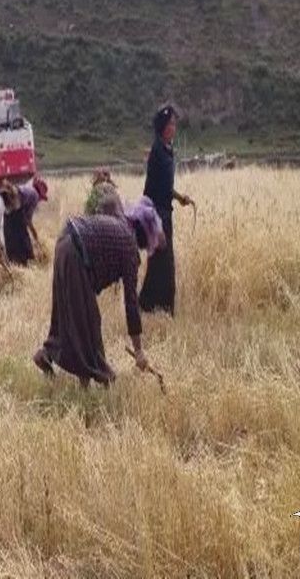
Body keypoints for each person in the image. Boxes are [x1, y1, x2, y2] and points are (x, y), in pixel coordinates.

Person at [33, 196, 164, 388]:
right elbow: (131, 302)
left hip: (64, 243)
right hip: (76, 253)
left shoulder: (120, 225)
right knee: (89, 321)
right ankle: (102, 376)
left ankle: (46, 354)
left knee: (66, 313)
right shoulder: (129, 247)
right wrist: (139, 351)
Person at [139, 105, 193, 316]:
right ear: (162, 126)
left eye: (175, 124)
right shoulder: (158, 152)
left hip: (164, 212)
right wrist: (155, 221)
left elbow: (165, 186)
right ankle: (162, 309)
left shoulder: (166, 149)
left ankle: (148, 306)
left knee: (159, 262)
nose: (174, 128)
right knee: (164, 263)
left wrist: (179, 198)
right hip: (157, 214)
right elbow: (154, 188)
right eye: (171, 124)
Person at [4, 176, 49, 265]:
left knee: (10, 239)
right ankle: (28, 261)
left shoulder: (27, 189)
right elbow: (28, 220)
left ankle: (13, 263)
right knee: (24, 240)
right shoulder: (35, 196)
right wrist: (35, 236)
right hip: (15, 208)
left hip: (8, 211)